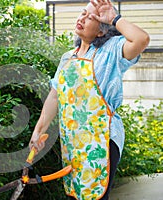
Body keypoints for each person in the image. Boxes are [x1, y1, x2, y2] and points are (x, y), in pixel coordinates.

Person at [29, 0, 150, 199]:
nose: (82, 19)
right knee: (75, 195)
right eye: (82, 13)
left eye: (90, 17)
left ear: (102, 31)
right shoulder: (68, 57)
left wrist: (114, 18)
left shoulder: (111, 50)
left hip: (101, 141)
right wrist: (38, 131)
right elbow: (54, 96)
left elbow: (141, 39)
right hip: (73, 144)